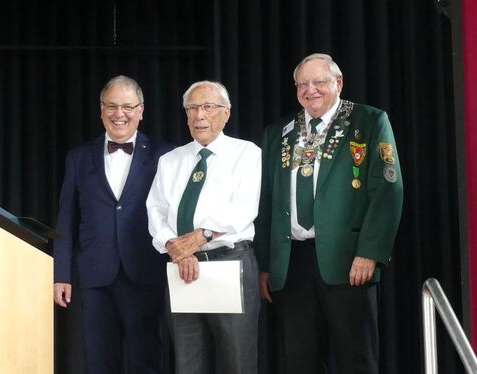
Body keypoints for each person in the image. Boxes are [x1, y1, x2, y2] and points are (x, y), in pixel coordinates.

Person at [255, 53, 404, 373]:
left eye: (319, 82)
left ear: (338, 83)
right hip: (291, 263)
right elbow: (265, 201)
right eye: (302, 84)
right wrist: (266, 265)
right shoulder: (277, 131)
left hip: (349, 261)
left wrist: (370, 253)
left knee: (356, 360)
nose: (311, 90)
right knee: (298, 362)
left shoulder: (369, 120)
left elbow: (388, 191)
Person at [53, 75, 173, 374]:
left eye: (127, 106)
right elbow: (66, 217)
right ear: (101, 110)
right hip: (95, 273)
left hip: (146, 269)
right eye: (111, 106)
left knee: (147, 360)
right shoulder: (78, 157)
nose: (119, 114)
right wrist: (61, 274)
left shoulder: (166, 155)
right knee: (99, 362)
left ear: (141, 110)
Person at [146, 80, 262, 374]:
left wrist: (201, 237)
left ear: (226, 113)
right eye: (192, 108)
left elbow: (243, 209)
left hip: (229, 263)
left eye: (208, 107)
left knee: (237, 362)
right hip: (183, 269)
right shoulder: (170, 160)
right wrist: (176, 249)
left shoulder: (247, 154)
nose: (200, 116)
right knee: (187, 363)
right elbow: (155, 211)